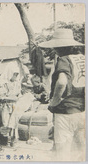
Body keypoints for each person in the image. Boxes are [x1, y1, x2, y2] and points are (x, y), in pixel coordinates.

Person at [39, 29, 85, 161]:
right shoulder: (82, 59)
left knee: (63, 154)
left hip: (65, 112)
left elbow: (62, 82)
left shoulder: (64, 60)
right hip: (82, 111)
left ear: (58, 47)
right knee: (80, 151)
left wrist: (54, 101)